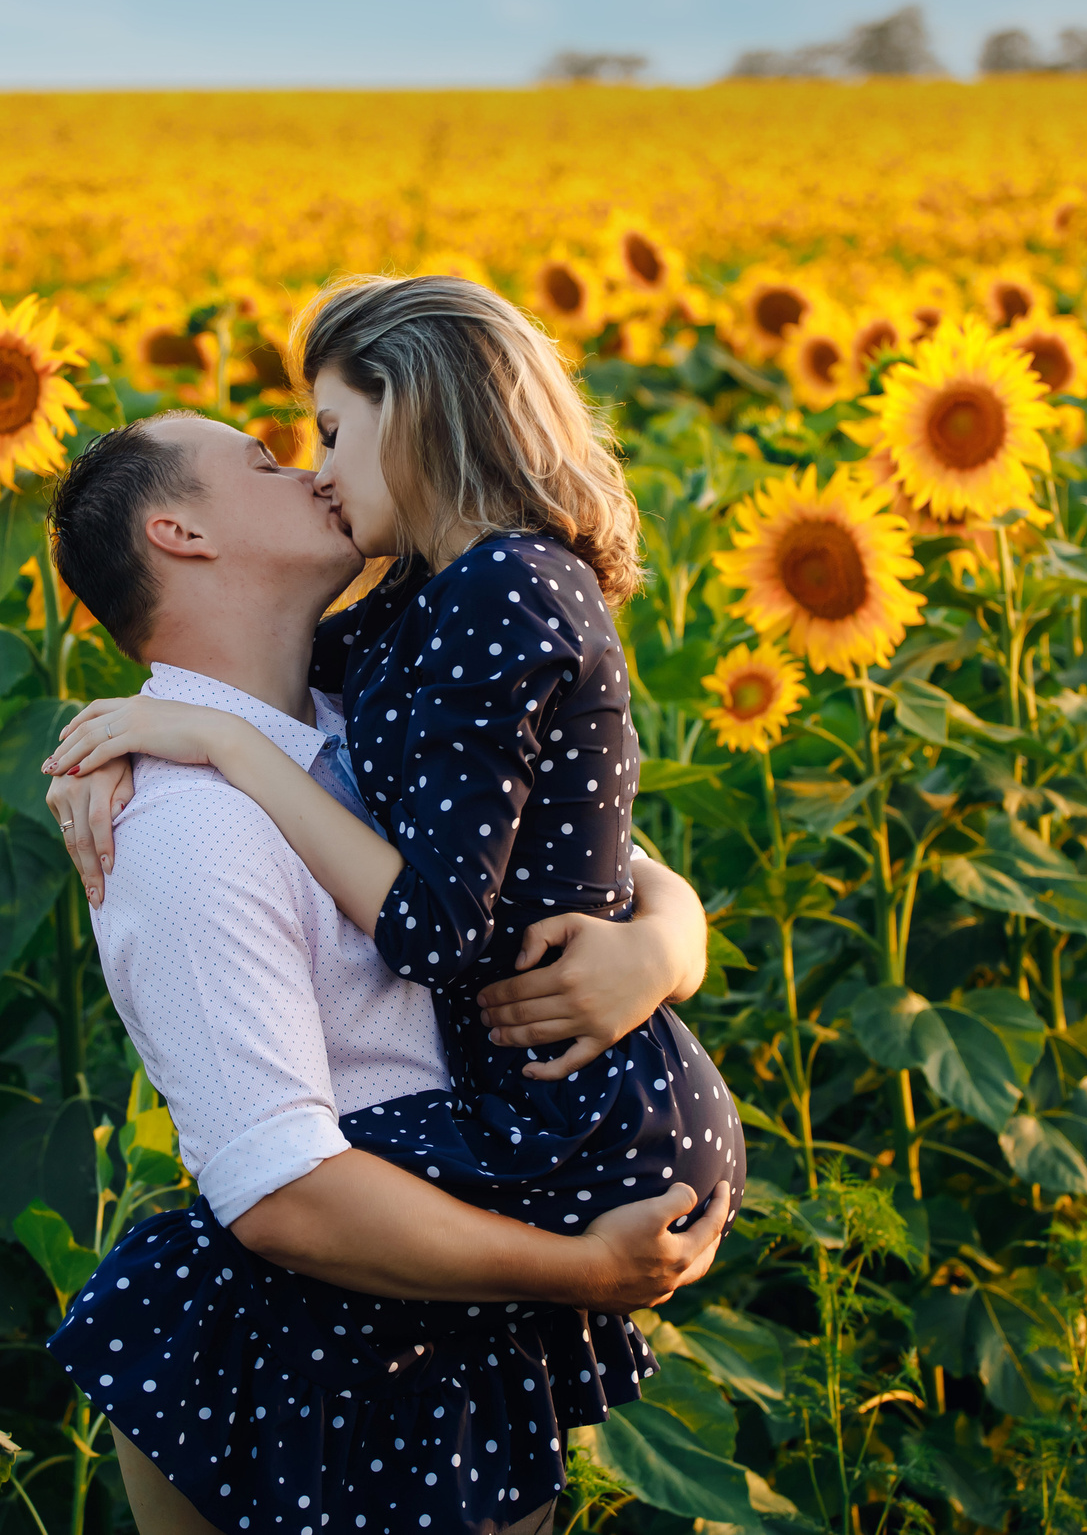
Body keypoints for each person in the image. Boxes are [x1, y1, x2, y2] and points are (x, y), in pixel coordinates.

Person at [40, 409, 728, 1535]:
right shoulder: (181, 827)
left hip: (452, 1318)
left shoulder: (358, 717)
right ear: (179, 532)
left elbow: (592, 869)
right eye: (262, 462)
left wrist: (663, 940)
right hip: (316, 1366)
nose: (310, 470)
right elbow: (284, 1195)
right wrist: (580, 1274)